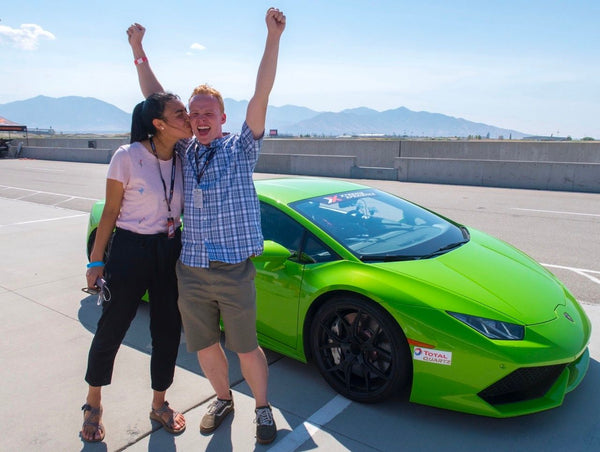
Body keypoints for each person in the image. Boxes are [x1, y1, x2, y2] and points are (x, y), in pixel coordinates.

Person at [126, 7, 286, 445]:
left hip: (233, 270)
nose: (199, 118)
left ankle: (263, 408)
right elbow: (156, 99)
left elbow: (262, 93)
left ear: (223, 118)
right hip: (190, 270)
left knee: (246, 347)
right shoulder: (183, 151)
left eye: (208, 112)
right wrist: (139, 51)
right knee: (204, 346)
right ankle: (222, 398)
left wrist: (272, 38)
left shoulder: (242, 149)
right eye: (193, 113)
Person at [80, 92, 192, 442]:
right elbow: (110, 213)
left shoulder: (182, 157)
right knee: (112, 327)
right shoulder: (126, 156)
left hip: (169, 249)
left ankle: (159, 403)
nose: (187, 117)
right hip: (130, 250)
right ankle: (93, 403)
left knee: (167, 330)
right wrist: (96, 261)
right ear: (159, 124)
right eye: (179, 113)